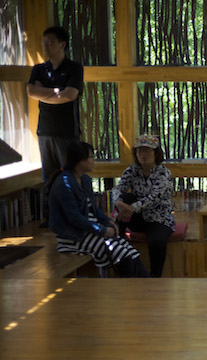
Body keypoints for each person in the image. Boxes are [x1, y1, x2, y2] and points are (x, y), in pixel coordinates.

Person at [49, 141, 148, 277]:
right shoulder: (64, 184)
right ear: (80, 159)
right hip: (73, 235)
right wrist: (102, 230)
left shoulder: (85, 179)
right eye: (91, 156)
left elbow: (93, 209)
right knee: (119, 252)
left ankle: (144, 287)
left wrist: (108, 221)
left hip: (88, 228)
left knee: (129, 250)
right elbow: (74, 218)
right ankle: (132, 290)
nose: (93, 160)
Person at [27, 26, 83, 227]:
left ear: (62, 44)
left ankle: (75, 216)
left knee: (70, 175)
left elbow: (70, 95)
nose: (45, 46)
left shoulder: (74, 68)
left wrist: (45, 92)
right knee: (49, 176)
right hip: (45, 131)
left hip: (67, 131)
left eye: (49, 42)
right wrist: (56, 93)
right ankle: (51, 218)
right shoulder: (39, 69)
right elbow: (31, 92)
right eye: (43, 42)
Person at [112, 134, 175, 278]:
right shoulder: (132, 170)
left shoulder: (163, 173)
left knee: (157, 242)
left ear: (156, 153)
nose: (143, 154)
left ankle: (154, 277)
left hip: (158, 219)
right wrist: (119, 203)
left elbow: (153, 198)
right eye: (140, 151)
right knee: (125, 198)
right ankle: (118, 255)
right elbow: (118, 188)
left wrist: (130, 208)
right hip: (136, 218)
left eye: (147, 151)